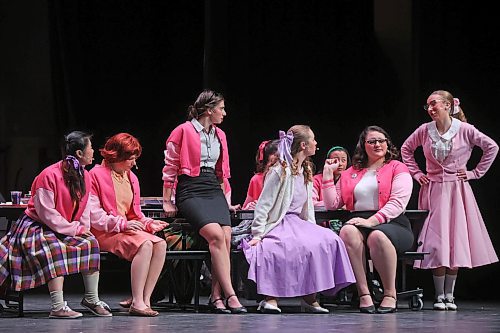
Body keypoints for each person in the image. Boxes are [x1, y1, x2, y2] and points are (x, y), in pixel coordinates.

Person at [401, 90, 499, 311]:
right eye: (428, 106)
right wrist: (416, 173)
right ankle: (439, 295)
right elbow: (406, 150)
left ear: (447, 105)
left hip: (457, 191)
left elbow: (492, 147)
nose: (430, 109)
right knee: (437, 243)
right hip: (433, 190)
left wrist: (475, 173)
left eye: (434, 104)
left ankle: (449, 295)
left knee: (455, 241)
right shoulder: (424, 131)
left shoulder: (465, 130)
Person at [243, 125, 355, 314]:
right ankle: (271, 297)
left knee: (328, 239)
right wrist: (258, 233)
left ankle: (310, 298)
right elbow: (264, 204)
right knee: (280, 247)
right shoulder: (280, 170)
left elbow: (307, 207)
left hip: (298, 222)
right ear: (304, 145)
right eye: (313, 139)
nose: (316, 143)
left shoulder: (305, 170)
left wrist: (311, 227)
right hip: (278, 222)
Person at [0, 131, 112, 319]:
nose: (94, 152)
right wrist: (72, 229)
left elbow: (84, 207)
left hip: (64, 225)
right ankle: (58, 306)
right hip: (36, 226)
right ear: (79, 153)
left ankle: (91, 299)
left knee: (90, 241)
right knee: (55, 248)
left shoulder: (86, 176)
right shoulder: (49, 175)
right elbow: (47, 214)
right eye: (91, 148)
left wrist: (82, 229)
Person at [162, 89, 247, 314]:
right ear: (209, 110)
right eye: (221, 108)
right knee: (216, 235)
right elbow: (170, 167)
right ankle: (231, 294)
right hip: (190, 188)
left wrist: (226, 200)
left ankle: (216, 296)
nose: (224, 113)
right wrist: (167, 200)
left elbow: (222, 174)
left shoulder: (220, 135)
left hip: (212, 188)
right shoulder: (183, 131)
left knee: (226, 236)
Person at [323, 125, 414, 314]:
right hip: (359, 220)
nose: (377, 144)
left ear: (387, 144)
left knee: (376, 236)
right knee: (347, 231)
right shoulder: (351, 172)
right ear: (363, 146)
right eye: (371, 141)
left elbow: (398, 203)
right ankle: (364, 293)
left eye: (381, 140)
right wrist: (327, 176)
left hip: (392, 221)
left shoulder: (398, 167)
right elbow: (333, 204)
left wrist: (372, 222)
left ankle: (390, 294)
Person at [89, 133, 168, 317]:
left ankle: (145, 300)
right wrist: (123, 224)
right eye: (130, 159)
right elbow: (94, 215)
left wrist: (149, 223)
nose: (133, 163)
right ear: (116, 157)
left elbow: (135, 214)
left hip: (125, 229)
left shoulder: (130, 177)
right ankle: (138, 301)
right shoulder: (95, 175)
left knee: (160, 244)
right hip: (104, 231)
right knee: (145, 244)